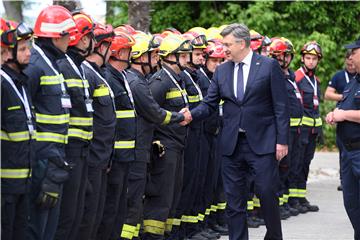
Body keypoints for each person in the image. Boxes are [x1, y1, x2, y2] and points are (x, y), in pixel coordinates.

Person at [185, 23, 289, 240]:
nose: (224, 49)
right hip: (232, 145)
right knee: (234, 202)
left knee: (267, 193)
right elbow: (209, 103)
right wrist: (190, 115)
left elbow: (281, 106)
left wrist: (282, 141)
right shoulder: (222, 70)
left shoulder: (268, 66)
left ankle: (274, 236)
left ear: (242, 44)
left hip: (263, 143)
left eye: (228, 44)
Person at [121, 32, 189, 240]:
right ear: (142, 57)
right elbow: (154, 112)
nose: (156, 58)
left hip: (145, 149)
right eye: (153, 54)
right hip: (145, 149)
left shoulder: (138, 80)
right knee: (139, 201)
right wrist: (180, 117)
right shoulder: (143, 83)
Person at [24, 6, 77, 240]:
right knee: (36, 227)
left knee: (49, 228)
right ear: (56, 36)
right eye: (68, 35)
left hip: (54, 160)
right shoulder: (35, 66)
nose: (71, 40)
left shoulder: (53, 64)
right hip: (41, 162)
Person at [142, 33, 192, 240]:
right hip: (165, 147)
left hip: (177, 145)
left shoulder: (177, 80)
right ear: (170, 56)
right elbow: (149, 114)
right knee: (160, 198)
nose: (187, 59)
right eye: (183, 55)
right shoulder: (159, 81)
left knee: (172, 196)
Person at [54, 11, 96, 240]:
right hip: (69, 150)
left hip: (81, 151)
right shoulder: (65, 66)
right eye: (90, 37)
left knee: (77, 213)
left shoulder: (76, 66)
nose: (92, 43)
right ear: (81, 39)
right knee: (67, 215)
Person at [76, 23, 116, 240]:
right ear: (101, 47)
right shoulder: (87, 74)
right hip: (91, 159)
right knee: (86, 216)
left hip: (102, 158)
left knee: (96, 215)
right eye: (110, 46)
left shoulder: (98, 74)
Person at [96, 27, 136, 240]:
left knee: (119, 208)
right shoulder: (109, 78)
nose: (132, 55)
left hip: (125, 157)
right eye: (128, 50)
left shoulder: (119, 77)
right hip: (115, 158)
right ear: (120, 54)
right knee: (110, 210)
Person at [1, 18, 35, 240]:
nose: (29, 53)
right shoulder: (2, 85)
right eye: (21, 49)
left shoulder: (21, 83)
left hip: (23, 182)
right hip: (4, 188)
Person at [325, 37, 360, 240]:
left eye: (353, 52)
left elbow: (348, 113)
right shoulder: (353, 81)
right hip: (348, 153)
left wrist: (344, 115)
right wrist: (336, 112)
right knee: (351, 203)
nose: (350, 57)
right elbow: (345, 107)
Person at [268, 37, 303, 217]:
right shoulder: (275, 76)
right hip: (282, 131)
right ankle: (276, 205)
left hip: (293, 130)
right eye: (282, 56)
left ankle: (283, 202)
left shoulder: (290, 76)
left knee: (287, 168)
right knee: (278, 169)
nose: (286, 59)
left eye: (288, 56)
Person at [294, 41, 323, 212]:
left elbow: (316, 106)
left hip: (312, 130)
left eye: (314, 58)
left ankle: (301, 195)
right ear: (303, 58)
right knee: (296, 164)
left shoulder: (316, 80)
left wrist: (319, 130)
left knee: (306, 164)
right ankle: (293, 199)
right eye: (308, 58)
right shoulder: (297, 77)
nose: (311, 61)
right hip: (300, 130)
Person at [324, 50, 357, 191]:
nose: (350, 65)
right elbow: (327, 94)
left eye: (352, 62)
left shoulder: (357, 78)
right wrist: (342, 98)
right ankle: (344, 180)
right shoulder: (339, 76)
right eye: (348, 63)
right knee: (343, 153)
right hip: (341, 118)